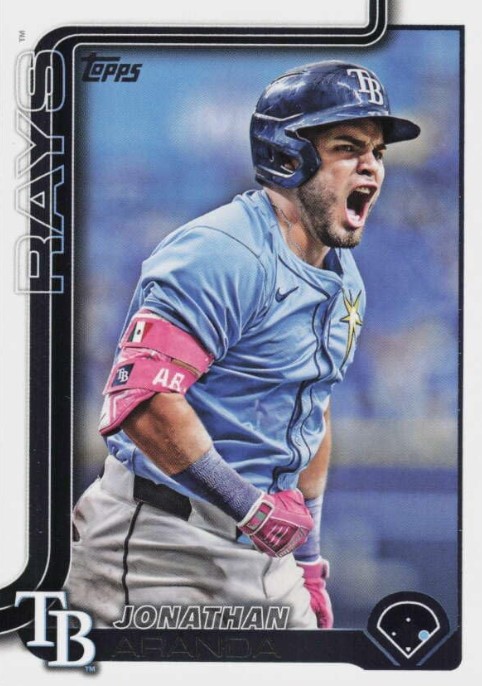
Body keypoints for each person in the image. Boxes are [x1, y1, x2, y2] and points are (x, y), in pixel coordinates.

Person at [66, 60, 420, 630]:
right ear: (288, 156)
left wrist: (308, 560)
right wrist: (250, 509)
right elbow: (143, 401)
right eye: (348, 148)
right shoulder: (221, 251)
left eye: (377, 152)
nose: (371, 166)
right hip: (163, 545)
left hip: (267, 550)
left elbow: (310, 407)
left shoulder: (344, 275)